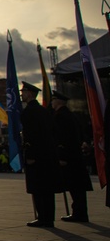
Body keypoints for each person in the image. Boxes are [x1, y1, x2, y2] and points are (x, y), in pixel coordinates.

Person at [20, 81, 60, 227]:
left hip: (36, 156)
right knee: (47, 189)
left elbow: (31, 136)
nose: (21, 94)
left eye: (23, 92)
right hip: (48, 155)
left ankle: (42, 217)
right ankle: (49, 217)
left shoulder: (29, 112)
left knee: (38, 187)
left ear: (30, 94)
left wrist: (30, 154)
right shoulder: (44, 111)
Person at [52, 91, 91, 223]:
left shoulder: (60, 117)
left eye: (53, 100)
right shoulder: (72, 115)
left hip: (68, 157)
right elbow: (80, 134)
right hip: (76, 156)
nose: (51, 103)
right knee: (78, 187)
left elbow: (62, 139)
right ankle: (81, 212)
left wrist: (61, 157)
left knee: (74, 186)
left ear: (58, 102)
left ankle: (78, 213)